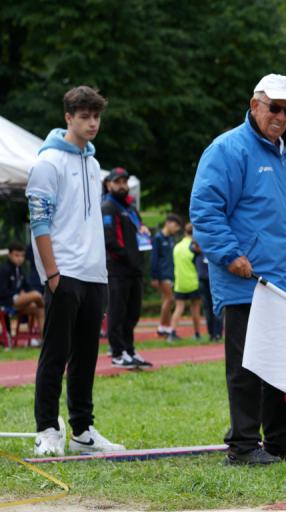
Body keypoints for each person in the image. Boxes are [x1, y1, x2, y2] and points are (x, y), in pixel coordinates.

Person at [190, 73, 286, 466]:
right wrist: (229, 254)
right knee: (247, 366)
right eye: (274, 108)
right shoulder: (227, 150)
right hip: (247, 279)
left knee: (282, 365)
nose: (281, 116)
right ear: (255, 105)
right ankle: (244, 446)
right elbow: (205, 209)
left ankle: (281, 440)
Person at [25, 85, 125, 455]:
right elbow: (39, 222)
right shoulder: (47, 162)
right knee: (55, 354)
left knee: (85, 356)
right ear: (68, 117)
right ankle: (48, 430)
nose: (92, 123)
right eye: (84, 116)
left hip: (95, 274)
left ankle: (82, 429)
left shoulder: (95, 164)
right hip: (64, 273)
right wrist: (52, 274)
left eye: (96, 116)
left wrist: (99, 270)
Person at [101, 167, 153, 368]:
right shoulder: (108, 207)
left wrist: (144, 231)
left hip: (134, 270)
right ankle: (117, 352)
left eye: (124, 182)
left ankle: (129, 349)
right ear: (108, 184)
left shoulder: (131, 209)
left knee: (132, 313)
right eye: (118, 182)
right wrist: (126, 258)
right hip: (117, 270)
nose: (122, 186)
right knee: (117, 311)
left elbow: (139, 231)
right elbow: (109, 239)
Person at [0, 241, 45, 345]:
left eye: (22, 256)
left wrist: (25, 296)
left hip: (19, 303)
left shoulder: (19, 269)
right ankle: (49, 307)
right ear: (10, 255)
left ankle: (45, 340)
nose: (20, 258)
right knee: (36, 295)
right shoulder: (4, 269)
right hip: (6, 302)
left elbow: (27, 287)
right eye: (16, 255)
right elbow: (2, 292)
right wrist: (19, 296)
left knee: (39, 309)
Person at [168, 222, 202, 342]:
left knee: (178, 308)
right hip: (193, 282)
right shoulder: (194, 247)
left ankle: (172, 332)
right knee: (195, 309)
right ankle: (197, 333)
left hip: (179, 283)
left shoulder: (177, 246)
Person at [150, 213, 182, 337]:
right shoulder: (158, 238)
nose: (177, 229)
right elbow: (154, 258)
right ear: (168, 223)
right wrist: (154, 276)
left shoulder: (170, 239)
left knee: (166, 300)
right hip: (162, 274)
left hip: (170, 273)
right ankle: (161, 327)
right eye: (175, 225)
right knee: (170, 299)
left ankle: (166, 327)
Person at [194, 242, 223, 341]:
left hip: (215, 278)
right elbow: (192, 248)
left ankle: (218, 333)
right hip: (203, 279)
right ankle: (211, 333)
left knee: (217, 306)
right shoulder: (198, 239)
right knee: (207, 308)